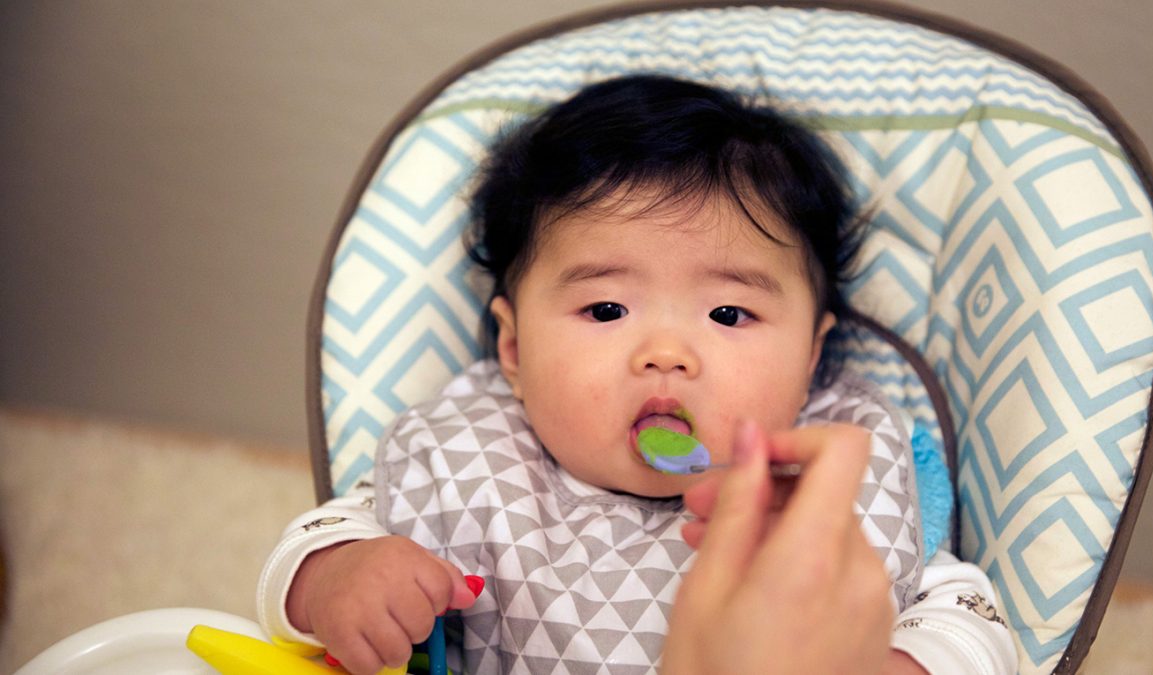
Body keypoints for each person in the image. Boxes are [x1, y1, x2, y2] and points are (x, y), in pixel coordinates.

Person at [258, 75, 1016, 675]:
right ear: (515, 353)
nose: (666, 352)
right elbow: (321, 535)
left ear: (811, 359)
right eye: (607, 307)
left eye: (728, 315)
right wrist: (335, 575)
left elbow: (964, 613)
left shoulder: (824, 484)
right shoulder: (472, 453)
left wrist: (895, 662)